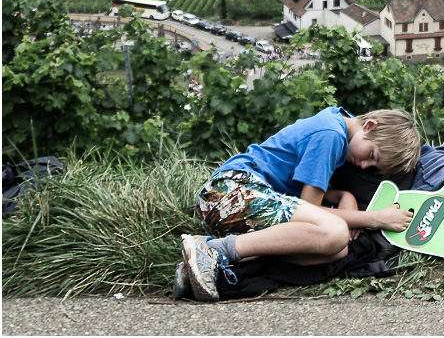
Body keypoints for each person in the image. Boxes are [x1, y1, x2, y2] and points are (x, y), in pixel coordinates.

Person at [176, 107, 421, 301]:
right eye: (372, 156)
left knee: (338, 249)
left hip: (238, 203)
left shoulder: (336, 123)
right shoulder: (331, 136)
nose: (365, 166)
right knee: (334, 232)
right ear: (369, 126)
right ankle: (214, 249)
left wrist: (345, 196)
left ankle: (207, 264)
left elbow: (305, 199)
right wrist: (375, 218)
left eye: (374, 167)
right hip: (229, 193)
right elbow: (310, 208)